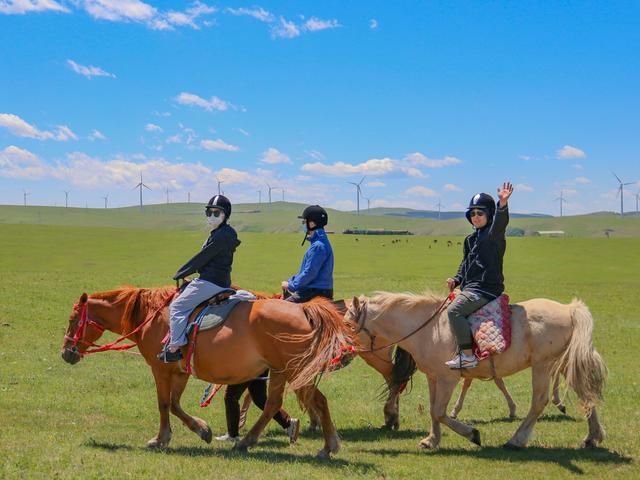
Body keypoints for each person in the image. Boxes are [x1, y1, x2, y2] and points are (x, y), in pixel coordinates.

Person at [158, 195, 240, 363]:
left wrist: (181, 273)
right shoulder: (224, 233)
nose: (211, 216)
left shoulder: (220, 236)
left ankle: (175, 347)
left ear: (226, 215)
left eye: (216, 213)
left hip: (211, 281)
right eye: (209, 212)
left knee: (177, 306)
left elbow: (203, 257)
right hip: (219, 279)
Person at [445, 182, 514, 369]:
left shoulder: (494, 235)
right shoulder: (470, 239)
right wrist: (457, 279)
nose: (476, 217)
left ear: (489, 215)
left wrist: (502, 204)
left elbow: (500, 224)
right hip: (471, 287)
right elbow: (465, 263)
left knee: (454, 311)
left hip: (486, 288)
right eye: (472, 214)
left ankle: (467, 356)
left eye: (480, 213)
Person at [215, 370, 300, 444]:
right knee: (259, 397)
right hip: (260, 361)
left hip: (247, 362)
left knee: (231, 396)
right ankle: (289, 423)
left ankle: (233, 435)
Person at [281, 205, 334, 303]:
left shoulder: (318, 246)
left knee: (280, 309)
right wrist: (291, 281)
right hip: (316, 290)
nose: (303, 225)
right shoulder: (320, 243)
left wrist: (291, 286)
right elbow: (306, 272)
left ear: (312, 223)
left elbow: (309, 273)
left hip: (314, 292)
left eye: (304, 222)